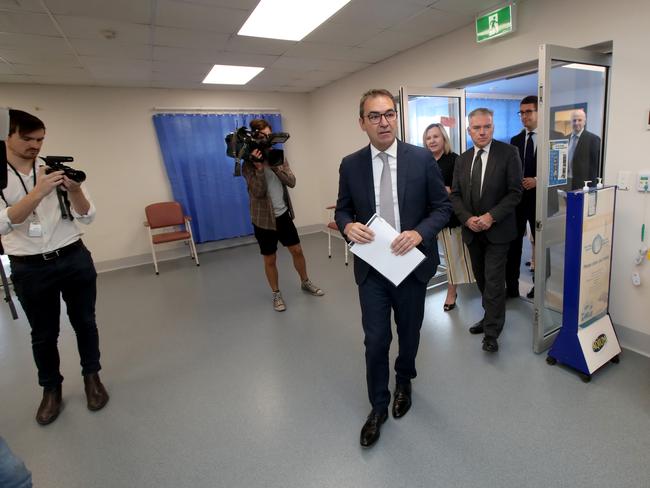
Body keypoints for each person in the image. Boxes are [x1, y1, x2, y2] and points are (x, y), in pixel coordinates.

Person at [335, 89, 451, 447]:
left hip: (411, 266)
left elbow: (443, 209)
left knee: (410, 332)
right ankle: (378, 406)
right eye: (374, 116)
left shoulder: (420, 159)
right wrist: (346, 226)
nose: (383, 121)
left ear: (396, 118)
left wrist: (419, 233)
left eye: (389, 114)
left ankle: (404, 380)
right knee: (375, 340)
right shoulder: (350, 164)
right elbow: (342, 209)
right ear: (362, 123)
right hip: (372, 269)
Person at [0, 109, 109, 425]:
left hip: (73, 257)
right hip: (29, 267)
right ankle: (51, 390)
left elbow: (87, 216)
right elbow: (5, 224)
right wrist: (38, 192)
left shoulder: (55, 170)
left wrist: (73, 190)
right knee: (43, 334)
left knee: (85, 322)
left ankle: (92, 378)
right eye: (28, 139)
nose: (35, 145)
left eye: (41, 139)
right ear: (8, 136)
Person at [449, 108, 522, 353]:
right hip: (472, 231)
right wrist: (468, 219)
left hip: (498, 231)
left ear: (493, 127)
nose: (482, 132)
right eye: (477, 128)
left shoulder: (509, 153)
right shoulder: (463, 159)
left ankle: (492, 332)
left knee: (493, 282)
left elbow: (515, 192)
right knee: (481, 280)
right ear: (468, 130)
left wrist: (491, 216)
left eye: (487, 126)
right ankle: (489, 316)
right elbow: (456, 195)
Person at [241, 118, 324, 312]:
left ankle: (305, 281)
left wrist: (274, 166)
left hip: (283, 215)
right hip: (263, 219)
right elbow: (258, 192)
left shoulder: (278, 156)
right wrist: (260, 168)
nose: (267, 140)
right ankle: (276, 294)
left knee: (297, 251)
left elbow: (292, 182)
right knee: (270, 259)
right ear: (255, 136)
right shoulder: (248, 164)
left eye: (269, 136)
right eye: (263, 136)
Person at [506, 96, 564, 299]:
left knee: (541, 245)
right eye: (521, 113)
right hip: (518, 201)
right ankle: (511, 286)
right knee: (513, 244)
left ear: (539, 111)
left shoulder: (555, 137)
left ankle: (539, 286)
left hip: (542, 201)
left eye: (528, 112)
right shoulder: (515, 141)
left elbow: (560, 174)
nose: (524, 116)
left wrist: (538, 180)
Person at [423, 123, 475, 311]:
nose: (432, 141)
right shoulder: (423, 160)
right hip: (426, 218)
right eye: (428, 138)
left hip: (449, 216)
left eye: (436, 136)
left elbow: (464, 190)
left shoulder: (455, 160)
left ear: (444, 138)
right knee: (426, 256)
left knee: (453, 257)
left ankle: (451, 293)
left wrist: (448, 190)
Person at [567, 108, 601, 190]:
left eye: (579, 120)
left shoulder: (593, 139)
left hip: (583, 186)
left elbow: (595, 167)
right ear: (571, 122)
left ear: (584, 122)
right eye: (574, 120)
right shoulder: (565, 139)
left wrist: (592, 188)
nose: (576, 123)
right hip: (566, 183)